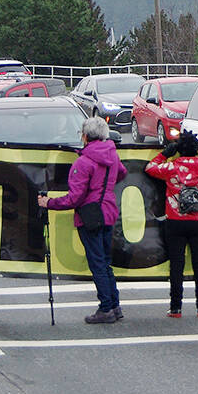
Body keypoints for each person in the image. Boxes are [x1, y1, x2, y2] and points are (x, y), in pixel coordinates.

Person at [38, 116, 128, 324]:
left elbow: (75, 197)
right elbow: (122, 173)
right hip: (108, 210)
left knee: (97, 263)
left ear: (85, 136)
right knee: (105, 262)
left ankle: (106, 307)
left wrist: (49, 203)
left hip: (90, 215)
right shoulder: (112, 155)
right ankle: (114, 305)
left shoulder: (83, 162)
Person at [145, 130, 198, 318]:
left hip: (175, 221)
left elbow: (150, 168)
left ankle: (175, 307)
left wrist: (165, 153)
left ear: (179, 150)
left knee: (176, 264)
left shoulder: (172, 167)